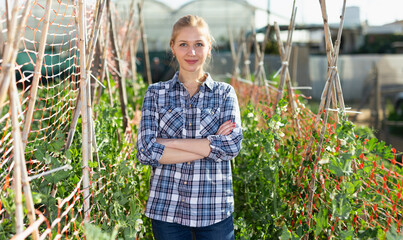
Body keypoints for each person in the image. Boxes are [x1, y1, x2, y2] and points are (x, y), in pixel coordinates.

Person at [136, 15, 242, 240]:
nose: (191, 52)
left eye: (198, 44)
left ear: (209, 47)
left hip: (214, 210)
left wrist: (168, 143)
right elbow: (146, 151)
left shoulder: (224, 93)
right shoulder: (156, 93)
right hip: (167, 209)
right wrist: (210, 146)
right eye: (183, 44)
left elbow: (231, 146)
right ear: (172, 47)